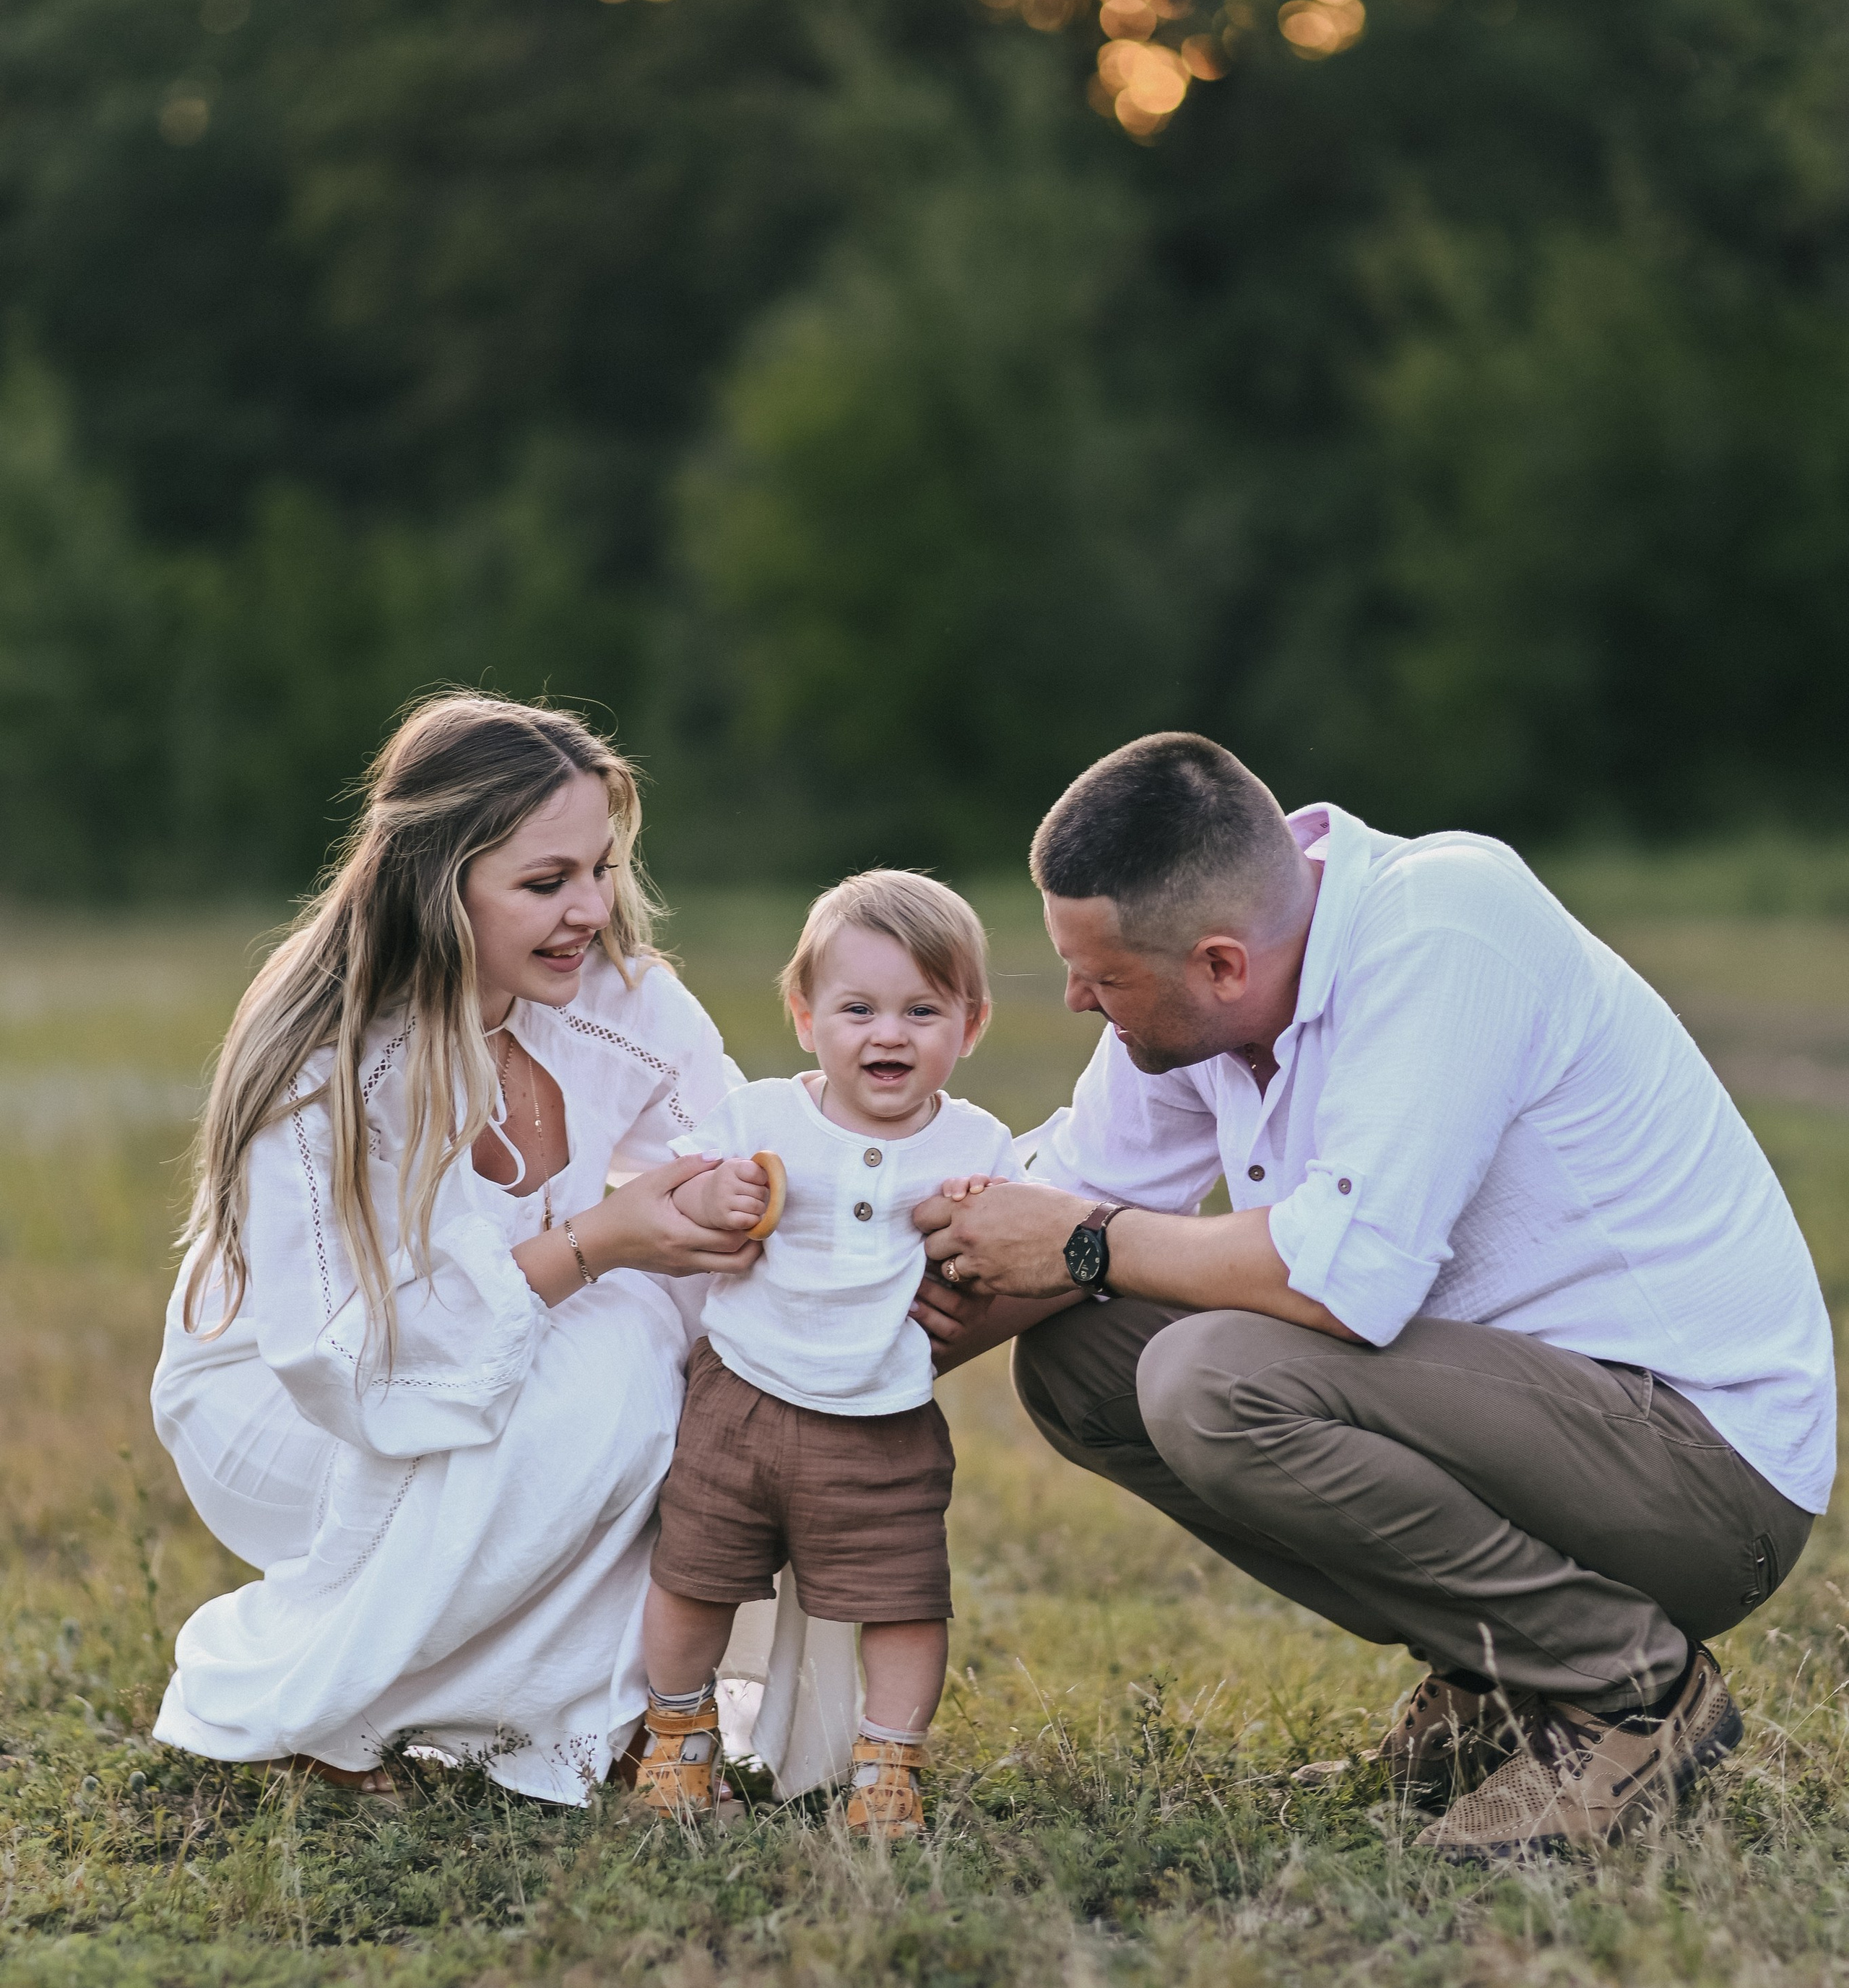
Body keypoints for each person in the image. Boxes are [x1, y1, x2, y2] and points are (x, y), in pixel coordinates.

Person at [914, 734, 1836, 1859]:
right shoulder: (1207, 1006)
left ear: (1218, 966)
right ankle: (1501, 1682)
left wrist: (1093, 1245)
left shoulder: (1446, 926)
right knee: (1080, 1361)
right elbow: (1042, 1213)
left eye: (1102, 979)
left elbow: (1342, 1281)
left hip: (1702, 1472)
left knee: (1209, 1378)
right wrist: (786, 1388)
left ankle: (1624, 1688)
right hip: (1522, 1426)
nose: (1071, 1000)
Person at [151, 693, 784, 1804]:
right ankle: (324, 1703)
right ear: (436, 886)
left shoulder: (620, 1002)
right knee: (622, 1354)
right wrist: (601, 1241)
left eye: (600, 868)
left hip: (499, 1348)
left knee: (714, 1355)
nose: (590, 909)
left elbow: (741, 1144)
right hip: (293, 1395)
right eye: (546, 884)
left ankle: (619, 1710)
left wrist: (751, 1205)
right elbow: (346, 1355)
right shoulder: (329, 1056)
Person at [633, 872, 1020, 1839]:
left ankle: (888, 1764)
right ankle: (676, 1737)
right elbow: (670, 1190)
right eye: (859, 1009)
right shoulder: (762, 1117)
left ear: (969, 1027)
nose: (888, 1034)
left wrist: (982, 1216)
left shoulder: (978, 1141)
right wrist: (704, 1198)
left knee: (903, 1597)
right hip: (741, 1400)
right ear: (807, 1017)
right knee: (694, 1575)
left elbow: (1010, 1243)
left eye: (921, 1010)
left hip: (882, 1418)